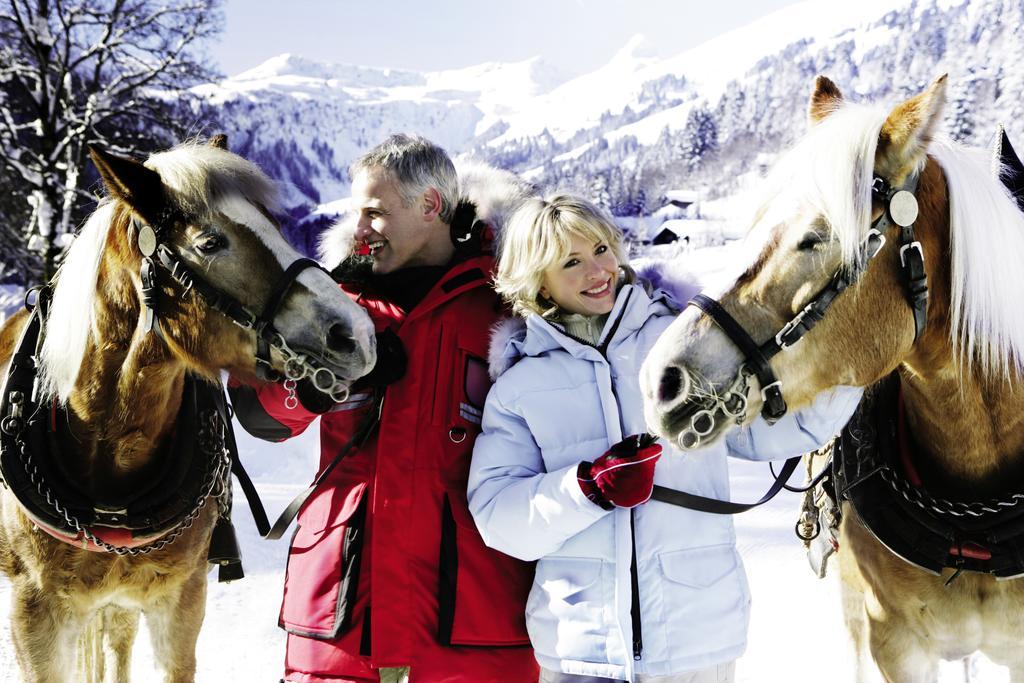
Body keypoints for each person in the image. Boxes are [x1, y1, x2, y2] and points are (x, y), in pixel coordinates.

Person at [467, 195, 861, 683]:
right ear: (538, 282)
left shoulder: (680, 345)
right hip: (580, 649)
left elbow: (772, 430)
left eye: (601, 249)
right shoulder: (519, 387)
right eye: (571, 262)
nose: (598, 270)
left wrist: (850, 372)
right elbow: (498, 517)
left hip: (695, 638)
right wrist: (587, 490)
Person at [230, 134, 539, 683]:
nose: (361, 227)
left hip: (473, 624)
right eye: (357, 212)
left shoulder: (507, 304)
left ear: (431, 206)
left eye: (375, 211)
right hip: (343, 615)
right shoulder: (332, 307)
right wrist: (314, 389)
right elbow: (260, 415)